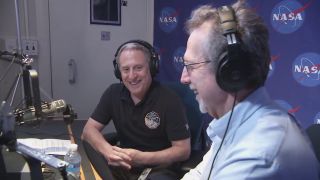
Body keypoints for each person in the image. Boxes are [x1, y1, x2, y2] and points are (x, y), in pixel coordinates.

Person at [180, 0, 319, 179]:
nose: (183, 78)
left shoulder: (255, 158)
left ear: (231, 71)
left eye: (191, 65)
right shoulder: (238, 123)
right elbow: (200, 174)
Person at [81, 40, 191, 180]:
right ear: (118, 72)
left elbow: (183, 150)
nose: (132, 76)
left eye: (138, 68)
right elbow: (88, 131)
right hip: (123, 166)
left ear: (151, 67)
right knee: (91, 143)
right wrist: (109, 151)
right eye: (126, 69)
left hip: (157, 169)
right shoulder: (113, 93)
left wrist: (142, 158)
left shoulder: (169, 100)